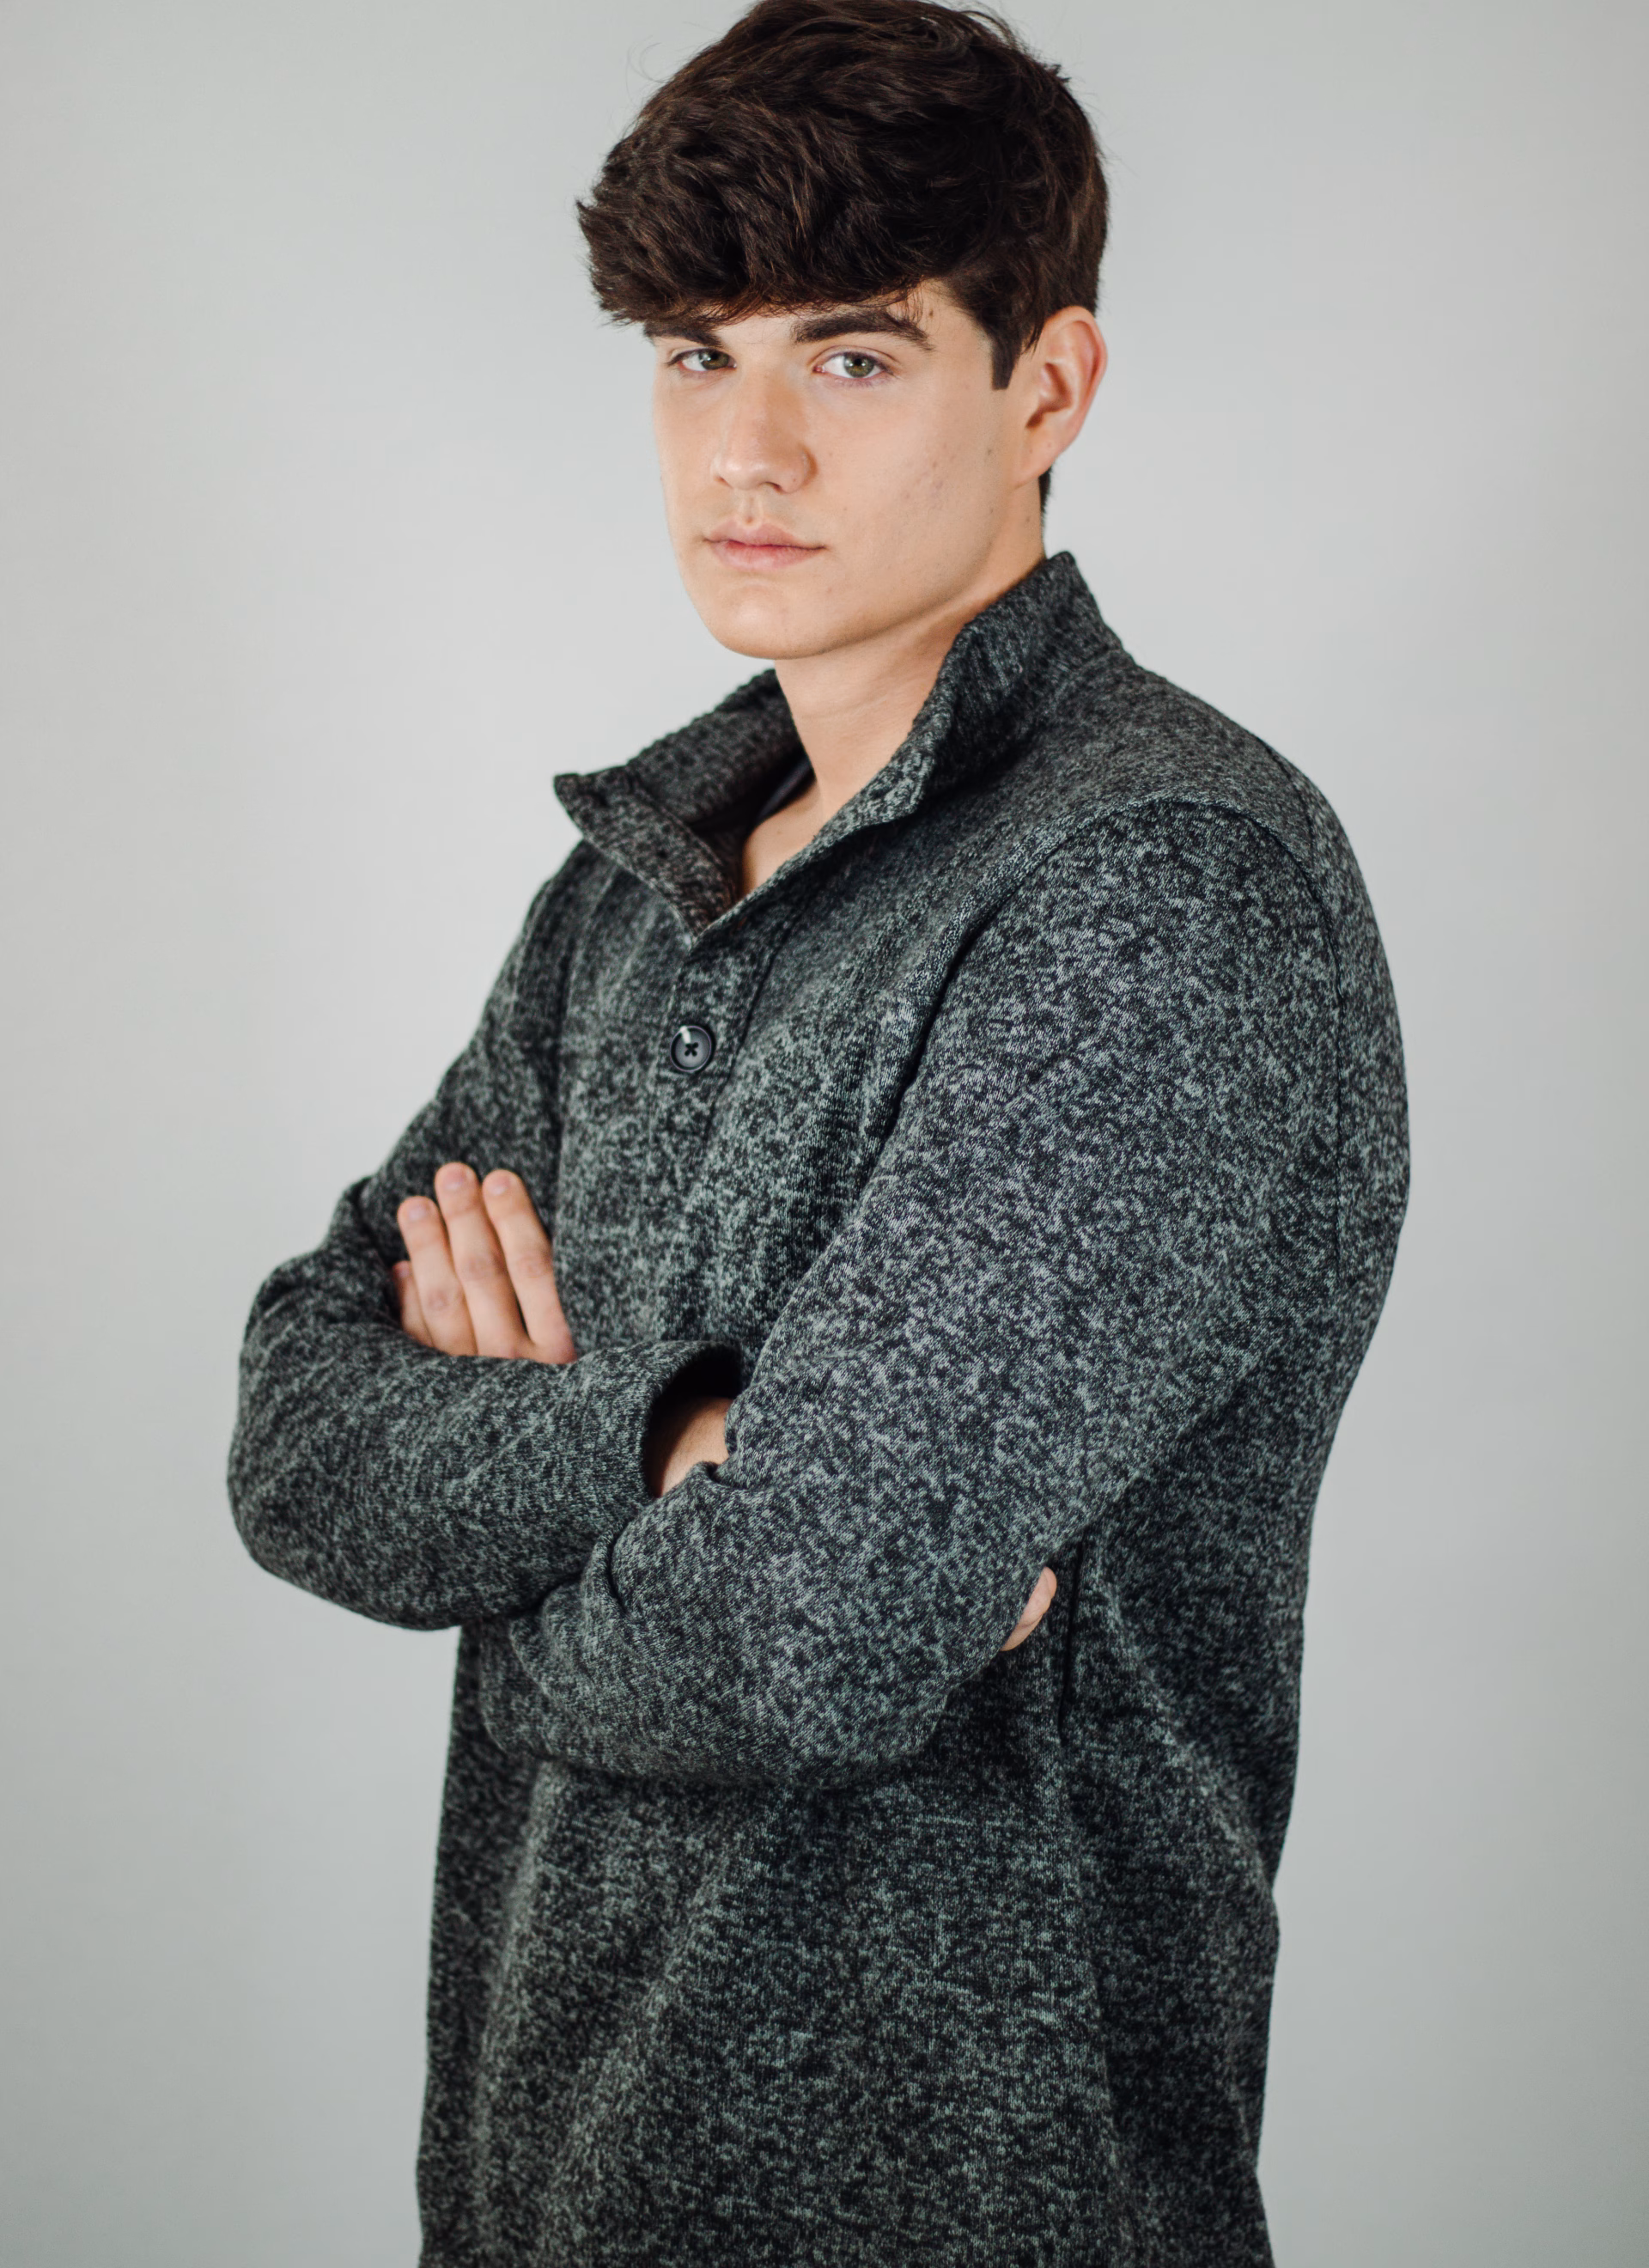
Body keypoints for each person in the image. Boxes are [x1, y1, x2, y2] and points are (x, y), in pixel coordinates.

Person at [229, 1, 1408, 2259]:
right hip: (545, 2173)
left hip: (972, 2199)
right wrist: (674, 1442)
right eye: (698, 356)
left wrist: (538, 1528)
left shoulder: (1160, 890)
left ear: (1047, 388)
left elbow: (805, 1624)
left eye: (853, 357)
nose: (746, 448)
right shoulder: (638, 886)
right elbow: (294, 1431)